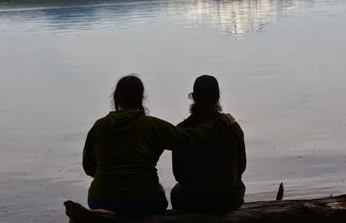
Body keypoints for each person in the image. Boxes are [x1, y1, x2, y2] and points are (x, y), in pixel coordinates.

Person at [82, 75, 234, 217]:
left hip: (100, 199)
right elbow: (189, 138)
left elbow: (88, 167)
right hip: (142, 200)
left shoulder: (99, 127)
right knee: (160, 196)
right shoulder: (152, 126)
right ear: (141, 98)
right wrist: (222, 122)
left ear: (116, 99)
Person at [171, 75, 246, 213]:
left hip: (193, 200)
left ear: (193, 97)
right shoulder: (233, 128)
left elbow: (178, 174)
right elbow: (241, 166)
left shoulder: (181, 130)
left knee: (175, 191)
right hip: (227, 200)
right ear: (217, 97)